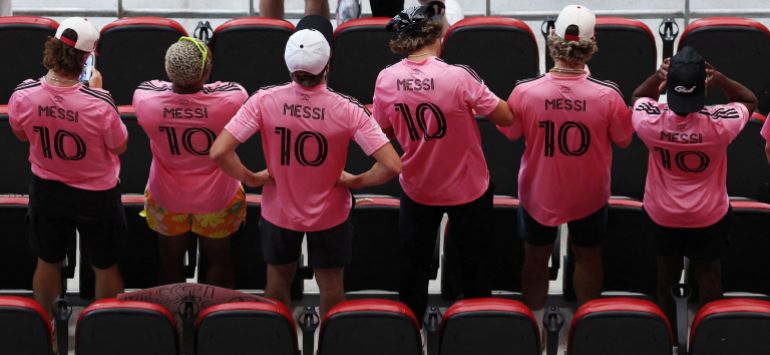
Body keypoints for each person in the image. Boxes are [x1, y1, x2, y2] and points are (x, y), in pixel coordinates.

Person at [210, 25, 402, 316]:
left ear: (289, 66)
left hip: (279, 211)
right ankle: (329, 344)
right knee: (332, 287)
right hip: (330, 214)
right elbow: (392, 165)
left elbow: (219, 151)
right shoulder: (347, 108)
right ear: (327, 66)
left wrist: (251, 178)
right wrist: (357, 181)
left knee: (276, 283)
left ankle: (278, 341)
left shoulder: (264, 100)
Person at [373, 2, 513, 320]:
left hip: (418, 189)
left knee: (413, 270)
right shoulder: (459, 77)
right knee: (475, 268)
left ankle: (410, 334)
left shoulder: (385, 79)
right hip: (469, 190)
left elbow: (383, 131)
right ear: (437, 35)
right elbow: (505, 116)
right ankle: (475, 331)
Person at [498, 4, 633, 310]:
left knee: (535, 258)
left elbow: (511, 132)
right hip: (589, 195)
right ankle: (588, 326)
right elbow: (624, 140)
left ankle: (533, 326)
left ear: (553, 38)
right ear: (591, 42)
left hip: (539, 192)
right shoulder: (608, 95)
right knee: (588, 257)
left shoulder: (525, 91)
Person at [8, 17, 128, 314]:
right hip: (97, 195)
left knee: (47, 261)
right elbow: (119, 146)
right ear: (86, 59)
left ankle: (45, 330)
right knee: (105, 265)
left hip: (47, 189)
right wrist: (98, 91)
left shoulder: (23, 94)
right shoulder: (100, 102)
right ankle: (105, 329)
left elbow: (21, 134)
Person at [631, 46, 756, 323]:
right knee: (709, 276)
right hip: (709, 216)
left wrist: (657, 76)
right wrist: (720, 79)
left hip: (662, 214)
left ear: (668, 86)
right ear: (704, 87)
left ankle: (667, 336)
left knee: (666, 276)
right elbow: (748, 100)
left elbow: (639, 97)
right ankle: (711, 338)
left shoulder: (650, 121)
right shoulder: (721, 124)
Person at [132, 37, 248, 287]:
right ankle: (213, 311)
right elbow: (232, 87)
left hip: (166, 197)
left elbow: (154, 86)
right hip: (218, 198)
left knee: (169, 260)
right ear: (205, 73)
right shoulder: (232, 100)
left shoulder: (144, 99)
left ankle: (174, 310)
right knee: (218, 259)